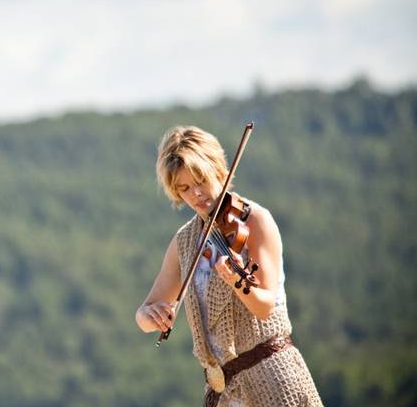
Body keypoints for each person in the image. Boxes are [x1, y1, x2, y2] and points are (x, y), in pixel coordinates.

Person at [135, 125, 322, 407]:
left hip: (274, 379)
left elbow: (264, 306)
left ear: (219, 170)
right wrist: (152, 316)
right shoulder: (185, 241)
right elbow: (144, 314)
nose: (195, 194)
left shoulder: (255, 220)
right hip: (225, 394)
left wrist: (236, 279)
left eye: (201, 180)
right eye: (184, 188)